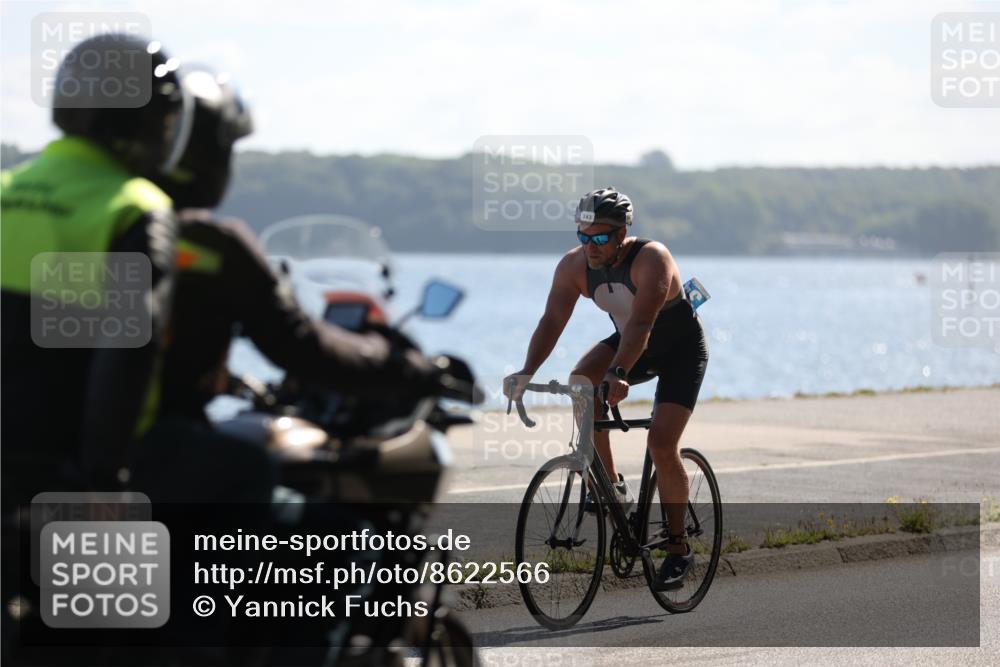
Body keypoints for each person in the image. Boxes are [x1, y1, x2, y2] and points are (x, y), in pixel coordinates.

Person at [130, 66, 436, 504]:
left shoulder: (90, 217)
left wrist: (229, 382)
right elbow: (302, 345)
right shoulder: (208, 245)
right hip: (147, 453)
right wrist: (407, 368)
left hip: (52, 451)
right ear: (203, 154)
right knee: (307, 513)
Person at [1, 33, 192, 505]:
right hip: (56, 464)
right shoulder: (135, 208)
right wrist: (103, 478)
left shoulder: (4, 188)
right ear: (151, 121)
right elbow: (128, 349)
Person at [503, 187, 709, 590]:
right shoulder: (573, 266)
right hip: (629, 345)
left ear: (622, 234)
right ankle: (612, 486)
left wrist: (617, 372)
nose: (590, 246)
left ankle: (679, 548)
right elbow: (551, 321)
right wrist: (527, 370)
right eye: (584, 236)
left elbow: (641, 324)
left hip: (678, 350)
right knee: (581, 380)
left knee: (662, 445)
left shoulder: (653, 259)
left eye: (600, 238)